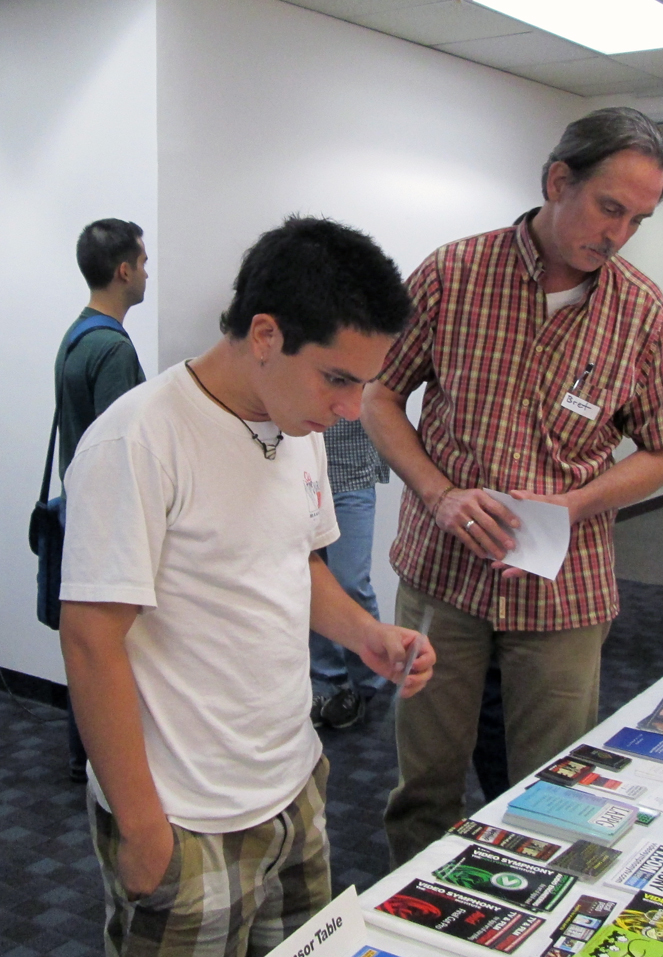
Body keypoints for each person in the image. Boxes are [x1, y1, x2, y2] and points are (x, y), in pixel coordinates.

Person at [59, 216, 435, 956]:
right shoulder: (140, 439)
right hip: (184, 814)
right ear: (265, 334)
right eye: (338, 378)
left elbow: (298, 563)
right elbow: (90, 639)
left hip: (292, 785)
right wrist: (142, 827)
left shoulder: (299, 428)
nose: (350, 408)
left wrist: (367, 634)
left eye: (363, 384)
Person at [362, 106, 663, 865]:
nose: (618, 234)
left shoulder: (641, 312)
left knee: (554, 790)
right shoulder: (453, 273)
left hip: (563, 588)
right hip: (444, 571)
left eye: (638, 220)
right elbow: (380, 395)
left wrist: (573, 505)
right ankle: (415, 911)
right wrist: (440, 494)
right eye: (610, 207)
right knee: (425, 785)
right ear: (557, 181)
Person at [57, 218, 149, 784]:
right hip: (108, 522)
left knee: (87, 639)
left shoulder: (76, 335)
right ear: (123, 271)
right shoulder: (112, 349)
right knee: (109, 644)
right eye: (142, 263)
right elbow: (121, 452)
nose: (146, 273)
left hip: (81, 515)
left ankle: (81, 754)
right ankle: (99, 760)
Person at [308, 418, 389, 730]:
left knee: (350, 582)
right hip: (304, 480)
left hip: (352, 476)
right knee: (311, 582)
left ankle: (371, 683)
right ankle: (328, 682)